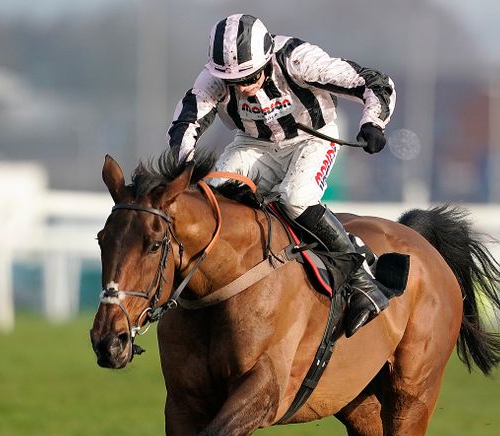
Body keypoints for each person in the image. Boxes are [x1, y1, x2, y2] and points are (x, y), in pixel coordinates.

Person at [168, 13, 396, 337]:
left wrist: (373, 122)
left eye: (249, 78)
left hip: (313, 138)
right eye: (234, 83)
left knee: (295, 197)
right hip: (253, 144)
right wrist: (184, 166)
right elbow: (185, 124)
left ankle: (360, 277)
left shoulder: (298, 60)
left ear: (266, 60)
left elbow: (375, 83)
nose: (242, 89)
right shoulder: (214, 78)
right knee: (209, 193)